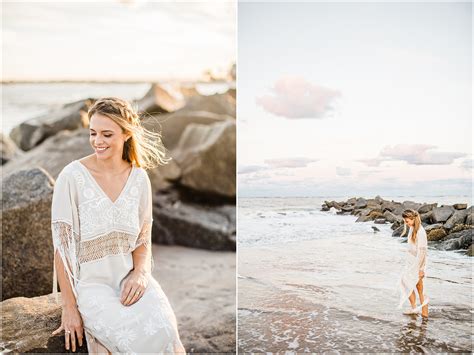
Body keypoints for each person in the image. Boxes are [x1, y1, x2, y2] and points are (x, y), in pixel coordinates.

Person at [50, 97, 185, 353]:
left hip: (129, 281)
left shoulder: (139, 178)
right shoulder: (71, 177)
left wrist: (140, 274)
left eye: (107, 134)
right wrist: (69, 308)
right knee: (134, 341)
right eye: (93, 133)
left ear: (126, 134)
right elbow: (62, 249)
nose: (97, 141)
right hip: (92, 288)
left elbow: (143, 240)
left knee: (166, 333)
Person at [398, 209, 429, 318]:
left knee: (420, 288)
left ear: (413, 219)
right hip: (411, 262)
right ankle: (414, 307)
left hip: (418, 264)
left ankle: (425, 315)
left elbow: (423, 252)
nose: (406, 223)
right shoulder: (412, 229)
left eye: (407, 221)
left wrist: (421, 269)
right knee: (406, 282)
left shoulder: (421, 232)